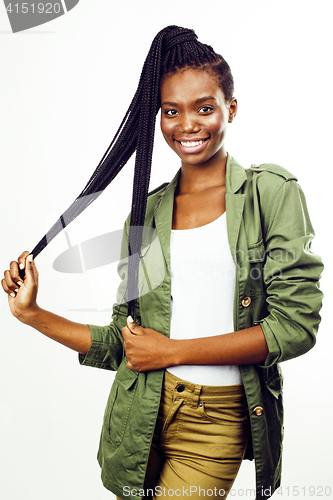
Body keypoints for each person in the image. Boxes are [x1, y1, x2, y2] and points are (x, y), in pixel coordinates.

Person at [2, 26, 323, 500]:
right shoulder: (147, 211)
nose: (186, 124)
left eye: (204, 108)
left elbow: (295, 328)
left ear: (231, 108)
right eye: (171, 111)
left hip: (217, 422)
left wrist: (173, 351)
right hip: (140, 414)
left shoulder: (270, 193)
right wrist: (31, 314)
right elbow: (124, 343)